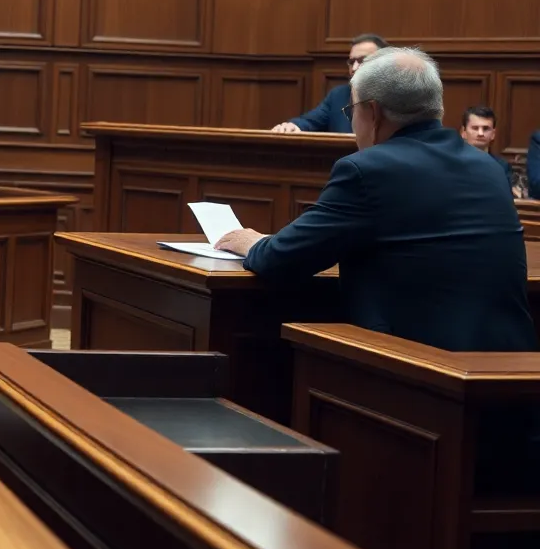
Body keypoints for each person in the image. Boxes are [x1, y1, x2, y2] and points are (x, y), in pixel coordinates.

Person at [216, 48, 536, 354]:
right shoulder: (489, 168)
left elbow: (280, 259)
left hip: (420, 368)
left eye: (351, 111)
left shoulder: (367, 170)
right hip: (512, 367)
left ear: (372, 112)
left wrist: (251, 241)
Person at [271, 33, 387, 133]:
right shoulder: (339, 95)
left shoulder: (395, 95)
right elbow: (310, 121)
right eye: (351, 62)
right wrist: (293, 126)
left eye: (362, 60)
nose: (355, 68)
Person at [459, 105, 518, 194]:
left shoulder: (502, 166)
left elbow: (505, 198)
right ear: (463, 132)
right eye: (475, 128)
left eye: (486, 129)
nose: (480, 133)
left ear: (493, 134)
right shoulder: (451, 161)